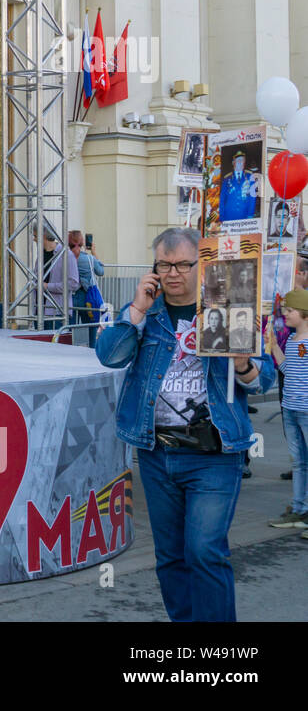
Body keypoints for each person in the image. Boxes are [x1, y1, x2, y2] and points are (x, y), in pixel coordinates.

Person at [95, 226, 275, 622]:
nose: (173, 272)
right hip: (157, 453)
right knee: (171, 556)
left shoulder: (229, 308)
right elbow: (108, 357)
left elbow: (264, 380)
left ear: (202, 265)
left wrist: (241, 361)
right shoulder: (149, 314)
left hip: (214, 454)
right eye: (165, 264)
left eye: (183, 264)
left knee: (205, 550)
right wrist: (137, 311)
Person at [265, 288, 308, 530]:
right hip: (290, 408)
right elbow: (288, 370)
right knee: (298, 462)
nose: (286, 314)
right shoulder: (293, 341)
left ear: (304, 313)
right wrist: (273, 346)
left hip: (304, 409)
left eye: (290, 311)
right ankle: (300, 509)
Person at [38, 229, 80, 331]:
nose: (34, 239)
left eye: (35, 236)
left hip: (57, 313)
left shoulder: (66, 255)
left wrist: (48, 286)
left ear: (43, 237)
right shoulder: (41, 256)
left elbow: (73, 283)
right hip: (39, 311)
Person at [69, 230, 105, 344]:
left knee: (70, 329)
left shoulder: (66, 257)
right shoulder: (89, 259)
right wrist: (94, 252)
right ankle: (91, 350)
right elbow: (100, 271)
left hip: (71, 296)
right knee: (91, 325)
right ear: (83, 243)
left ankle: (69, 351)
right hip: (87, 297)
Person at [218, 150, 259, 222]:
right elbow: (222, 199)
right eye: (238, 160)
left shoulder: (250, 177)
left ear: (244, 163)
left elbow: (252, 198)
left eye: (242, 160)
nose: (240, 162)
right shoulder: (227, 179)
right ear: (233, 163)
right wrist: (222, 216)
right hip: (228, 216)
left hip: (244, 216)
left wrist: (250, 215)